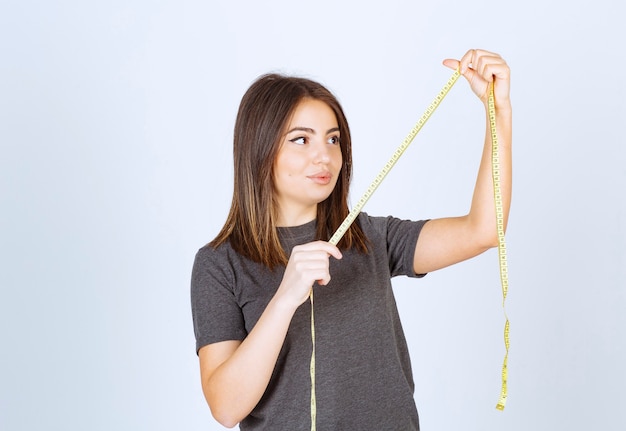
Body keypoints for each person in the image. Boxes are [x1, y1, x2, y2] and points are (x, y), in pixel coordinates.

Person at [191, 48, 512, 430]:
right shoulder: (220, 263)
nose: (324, 156)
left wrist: (499, 113)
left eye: (333, 139)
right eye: (300, 140)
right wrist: (284, 299)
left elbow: (483, 230)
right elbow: (226, 408)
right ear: (260, 149)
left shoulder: (369, 238)